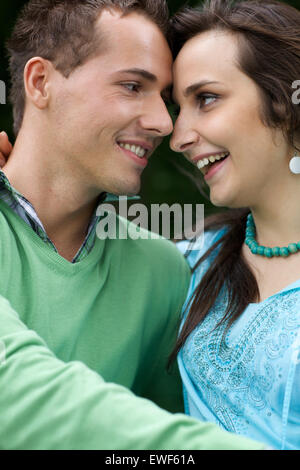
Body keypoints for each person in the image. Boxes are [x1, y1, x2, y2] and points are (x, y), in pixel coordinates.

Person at [0, 0, 265, 450]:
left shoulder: (163, 272)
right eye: (131, 86)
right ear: (40, 82)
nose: (164, 124)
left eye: (163, 97)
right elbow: (21, 393)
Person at [168, 0, 300, 451]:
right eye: (178, 107)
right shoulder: (195, 256)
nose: (179, 136)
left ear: (282, 99)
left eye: (205, 98)